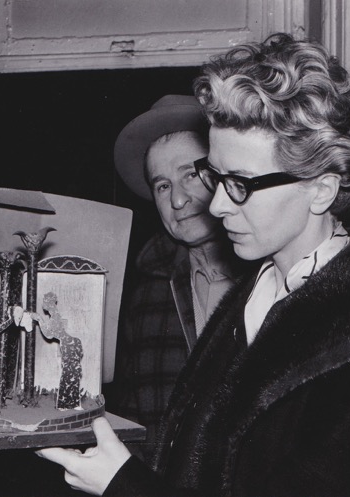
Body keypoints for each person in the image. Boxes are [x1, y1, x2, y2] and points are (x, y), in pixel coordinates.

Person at [36, 33, 350, 497]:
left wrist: (125, 485)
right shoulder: (258, 292)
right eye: (216, 176)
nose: (219, 204)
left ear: (322, 189)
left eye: (241, 183)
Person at [110, 95, 246, 459]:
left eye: (190, 174)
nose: (178, 201)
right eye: (163, 185)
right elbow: (133, 419)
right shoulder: (146, 294)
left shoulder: (274, 277)